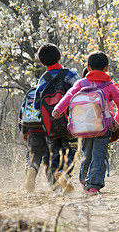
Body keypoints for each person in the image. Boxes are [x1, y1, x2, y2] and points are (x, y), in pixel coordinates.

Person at [52, 51, 119, 195]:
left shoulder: (81, 83)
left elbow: (68, 97)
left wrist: (58, 109)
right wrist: (117, 122)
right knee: (99, 155)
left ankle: (85, 182)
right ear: (106, 68)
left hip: (83, 126)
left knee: (86, 154)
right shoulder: (110, 86)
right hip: (102, 127)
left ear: (88, 67)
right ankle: (93, 185)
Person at [34, 43, 80, 194]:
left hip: (50, 126)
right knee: (71, 151)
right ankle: (65, 175)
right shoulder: (70, 74)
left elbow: (36, 105)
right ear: (60, 57)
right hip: (69, 123)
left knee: (54, 154)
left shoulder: (42, 80)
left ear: (42, 62)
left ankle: (56, 189)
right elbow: (81, 93)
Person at [18, 87, 51, 193]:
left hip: (33, 130)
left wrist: (24, 131)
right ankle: (53, 184)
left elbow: (22, 112)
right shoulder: (51, 91)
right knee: (49, 158)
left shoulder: (31, 93)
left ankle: (31, 169)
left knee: (33, 155)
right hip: (50, 130)